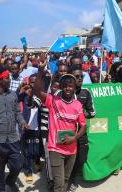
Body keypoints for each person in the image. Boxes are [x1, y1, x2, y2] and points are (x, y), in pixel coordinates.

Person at [34, 55, 86, 192]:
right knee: (58, 184)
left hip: (72, 149)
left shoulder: (77, 105)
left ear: (75, 88)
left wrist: (74, 138)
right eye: (65, 86)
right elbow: (37, 91)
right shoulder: (53, 101)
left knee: (65, 180)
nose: (68, 89)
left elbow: (83, 126)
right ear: (61, 87)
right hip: (55, 149)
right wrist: (40, 70)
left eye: (71, 86)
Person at [0, 65, 29, 192]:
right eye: (7, 78)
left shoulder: (13, 95)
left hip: (12, 138)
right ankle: (1, 188)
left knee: (18, 165)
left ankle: (10, 181)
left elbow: (17, 112)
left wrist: (22, 122)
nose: (9, 79)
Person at [67, 65, 95, 192]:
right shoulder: (63, 93)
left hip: (81, 133)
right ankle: (66, 180)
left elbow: (93, 113)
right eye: (76, 76)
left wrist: (81, 115)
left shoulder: (86, 93)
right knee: (66, 159)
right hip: (66, 133)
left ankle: (72, 178)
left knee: (82, 158)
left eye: (81, 76)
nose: (80, 79)